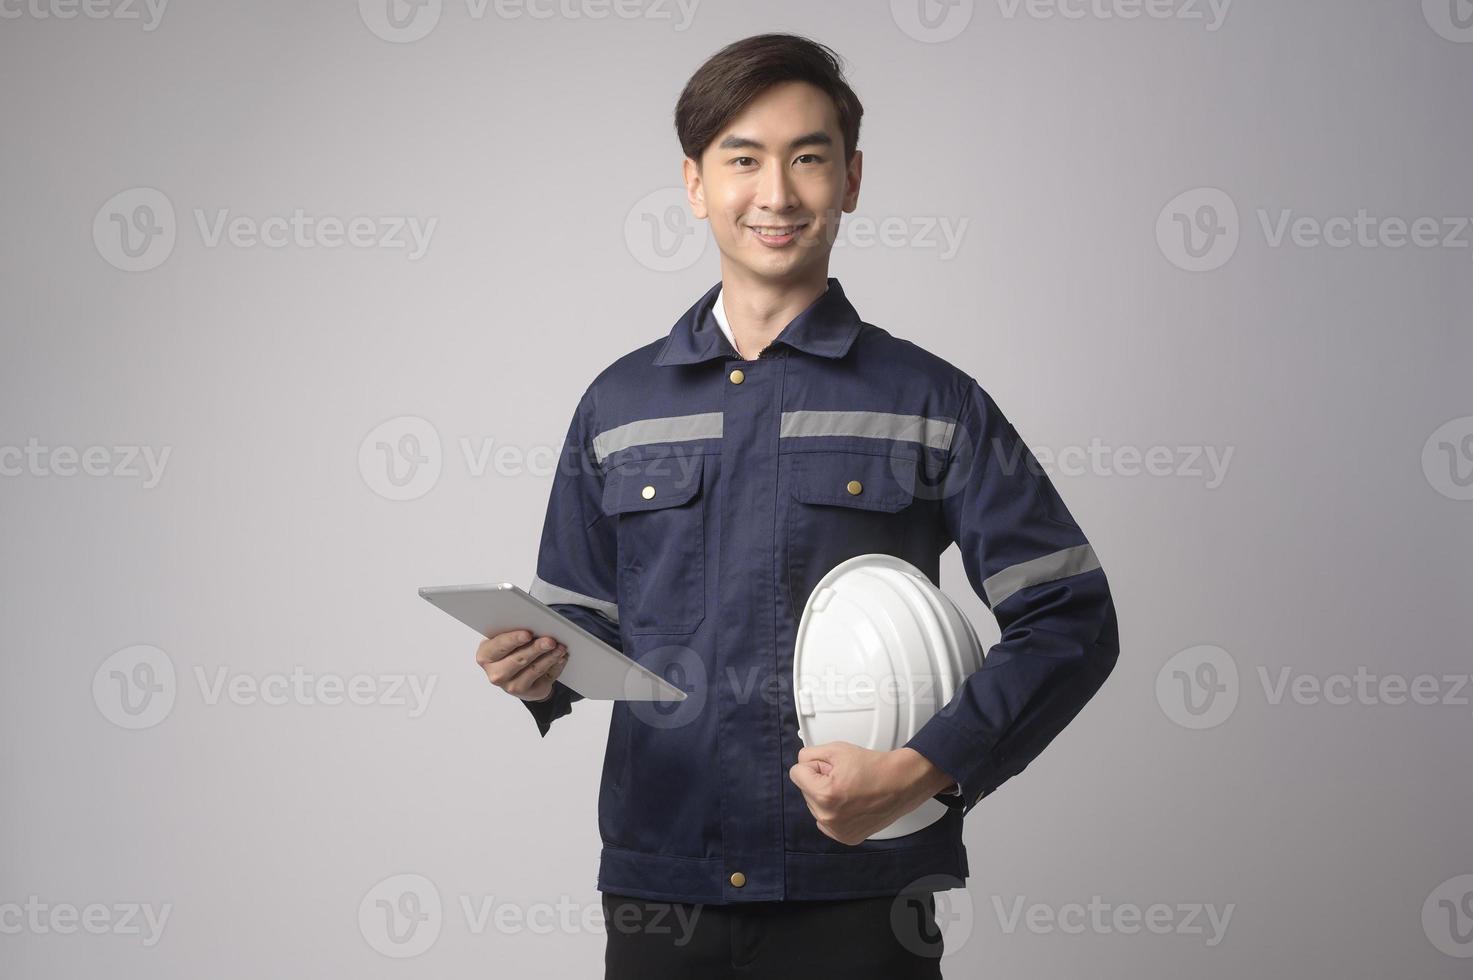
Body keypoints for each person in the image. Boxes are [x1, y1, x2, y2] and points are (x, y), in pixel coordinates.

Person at [474, 32, 1120, 979]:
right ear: (695, 183)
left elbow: (1070, 617)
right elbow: (583, 621)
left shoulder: (928, 401)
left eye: (807, 158)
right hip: (663, 892)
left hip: (858, 889)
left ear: (850, 179)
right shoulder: (618, 407)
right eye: (742, 159)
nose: (775, 194)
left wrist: (921, 769)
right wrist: (537, 666)